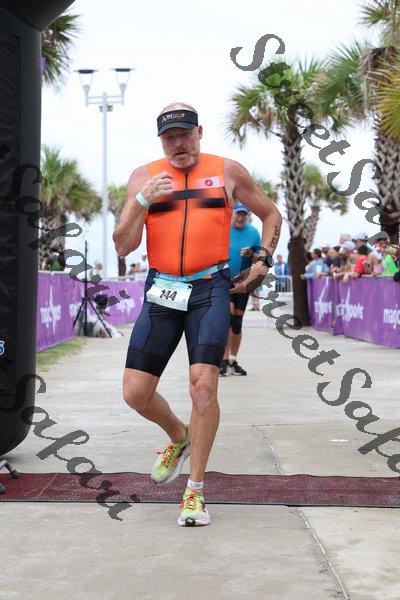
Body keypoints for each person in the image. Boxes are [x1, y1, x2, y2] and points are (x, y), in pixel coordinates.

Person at [113, 102, 281, 527]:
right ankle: (178, 435)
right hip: (163, 288)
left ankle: (195, 492)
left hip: (210, 288)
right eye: (170, 137)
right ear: (161, 141)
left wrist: (264, 258)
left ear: (199, 132)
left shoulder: (228, 171)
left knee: (203, 386)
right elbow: (123, 245)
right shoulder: (143, 176)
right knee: (135, 393)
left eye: (185, 134)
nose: (178, 143)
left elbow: (270, 213)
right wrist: (140, 202)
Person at [219, 203, 261, 377]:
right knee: (227, 320)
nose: (240, 217)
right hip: (224, 279)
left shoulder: (254, 233)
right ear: (232, 213)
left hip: (243, 282)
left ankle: (233, 360)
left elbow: (261, 259)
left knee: (237, 323)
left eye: (244, 214)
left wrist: (252, 254)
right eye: (238, 213)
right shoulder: (222, 228)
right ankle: (223, 360)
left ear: (248, 216)